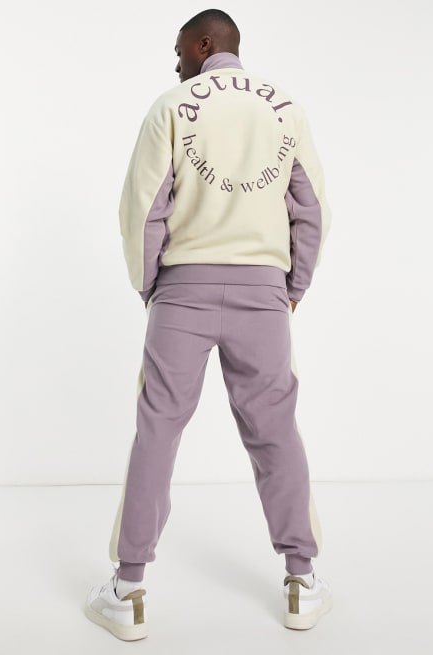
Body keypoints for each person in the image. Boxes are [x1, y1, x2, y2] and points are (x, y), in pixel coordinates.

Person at [84, 8, 332, 641]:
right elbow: (311, 209)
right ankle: (302, 581)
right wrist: (293, 289)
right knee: (275, 431)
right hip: (262, 291)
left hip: (183, 291)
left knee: (157, 431)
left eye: (179, 51)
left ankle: (128, 591)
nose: (175, 64)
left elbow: (143, 208)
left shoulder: (171, 106)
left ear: (203, 44)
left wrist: (152, 288)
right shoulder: (285, 108)